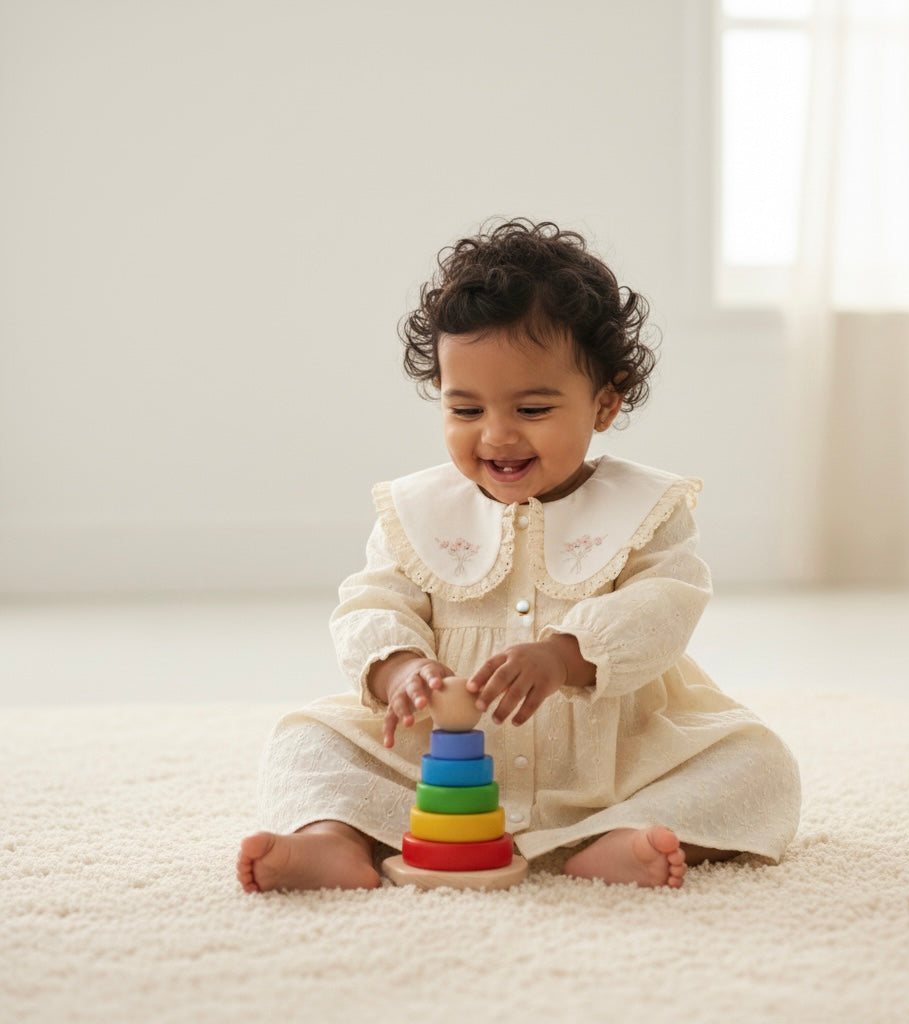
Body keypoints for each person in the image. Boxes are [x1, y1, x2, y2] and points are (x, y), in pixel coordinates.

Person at [237, 219, 800, 893]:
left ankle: (614, 836)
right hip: (437, 767)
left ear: (606, 401)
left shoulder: (648, 508)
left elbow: (667, 605)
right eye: (466, 409)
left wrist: (568, 656)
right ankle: (333, 839)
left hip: (610, 761)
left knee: (758, 763)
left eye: (533, 408)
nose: (497, 435)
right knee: (306, 739)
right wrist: (399, 668)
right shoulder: (417, 511)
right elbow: (372, 601)